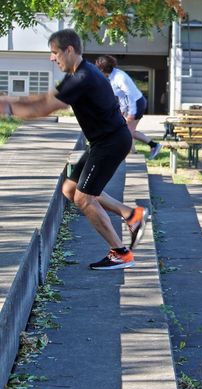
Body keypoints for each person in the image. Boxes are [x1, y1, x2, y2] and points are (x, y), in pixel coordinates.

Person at [0, 29, 149, 270]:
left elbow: (44, 109)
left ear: (69, 50)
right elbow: (45, 97)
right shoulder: (77, 74)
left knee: (84, 197)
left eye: (54, 52)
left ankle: (120, 253)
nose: (52, 58)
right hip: (104, 141)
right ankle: (131, 215)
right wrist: (11, 101)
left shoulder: (83, 78)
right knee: (70, 189)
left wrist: (8, 109)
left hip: (110, 143)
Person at [95, 55, 163, 160]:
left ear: (102, 69)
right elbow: (121, 96)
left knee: (126, 131)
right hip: (132, 104)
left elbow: (130, 94)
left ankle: (149, 147)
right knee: (127, 130)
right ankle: (139, 151)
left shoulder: (119, 77)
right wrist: (122, 110)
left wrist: (131, 112)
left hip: (136, 103)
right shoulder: (113, 76)